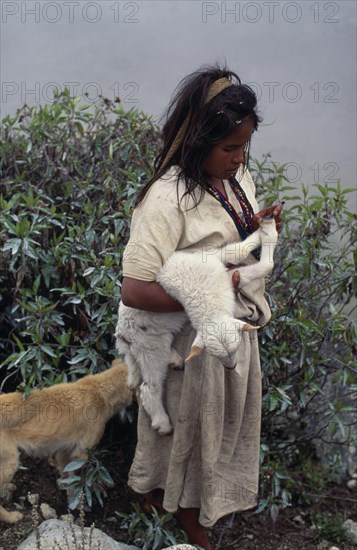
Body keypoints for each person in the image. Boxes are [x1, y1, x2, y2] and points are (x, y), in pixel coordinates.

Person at [120, 64, 283, 550]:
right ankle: (189, 516)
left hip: (226, 330)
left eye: (244, 147)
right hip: (190, 337)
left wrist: (257, 225)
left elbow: (228, 228)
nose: (239, 158)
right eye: (229, 148)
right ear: (197, 141)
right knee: (190, 425)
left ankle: (168, 498)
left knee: (216, 424)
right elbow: (134, 288)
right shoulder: (166, 201)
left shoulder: (233, 178)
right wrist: (209, 291)